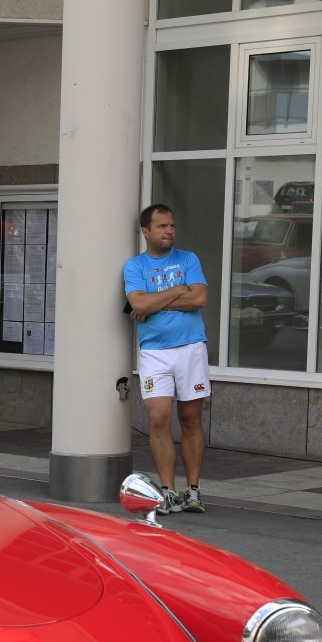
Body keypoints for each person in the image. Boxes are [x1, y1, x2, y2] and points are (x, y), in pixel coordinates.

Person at [124, 204, 209, 514]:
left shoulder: (188, 259)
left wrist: (154, 302)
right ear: (146, 231)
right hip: (154, 353)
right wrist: (177, 290)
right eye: (162, 226)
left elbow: (199, 297)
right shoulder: (135, 267)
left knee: (191, 419)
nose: (169, 231)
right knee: (159, 418)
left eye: (172, 225)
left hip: (191, 348)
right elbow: (137, 303)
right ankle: (168, 491)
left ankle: (193, 491)